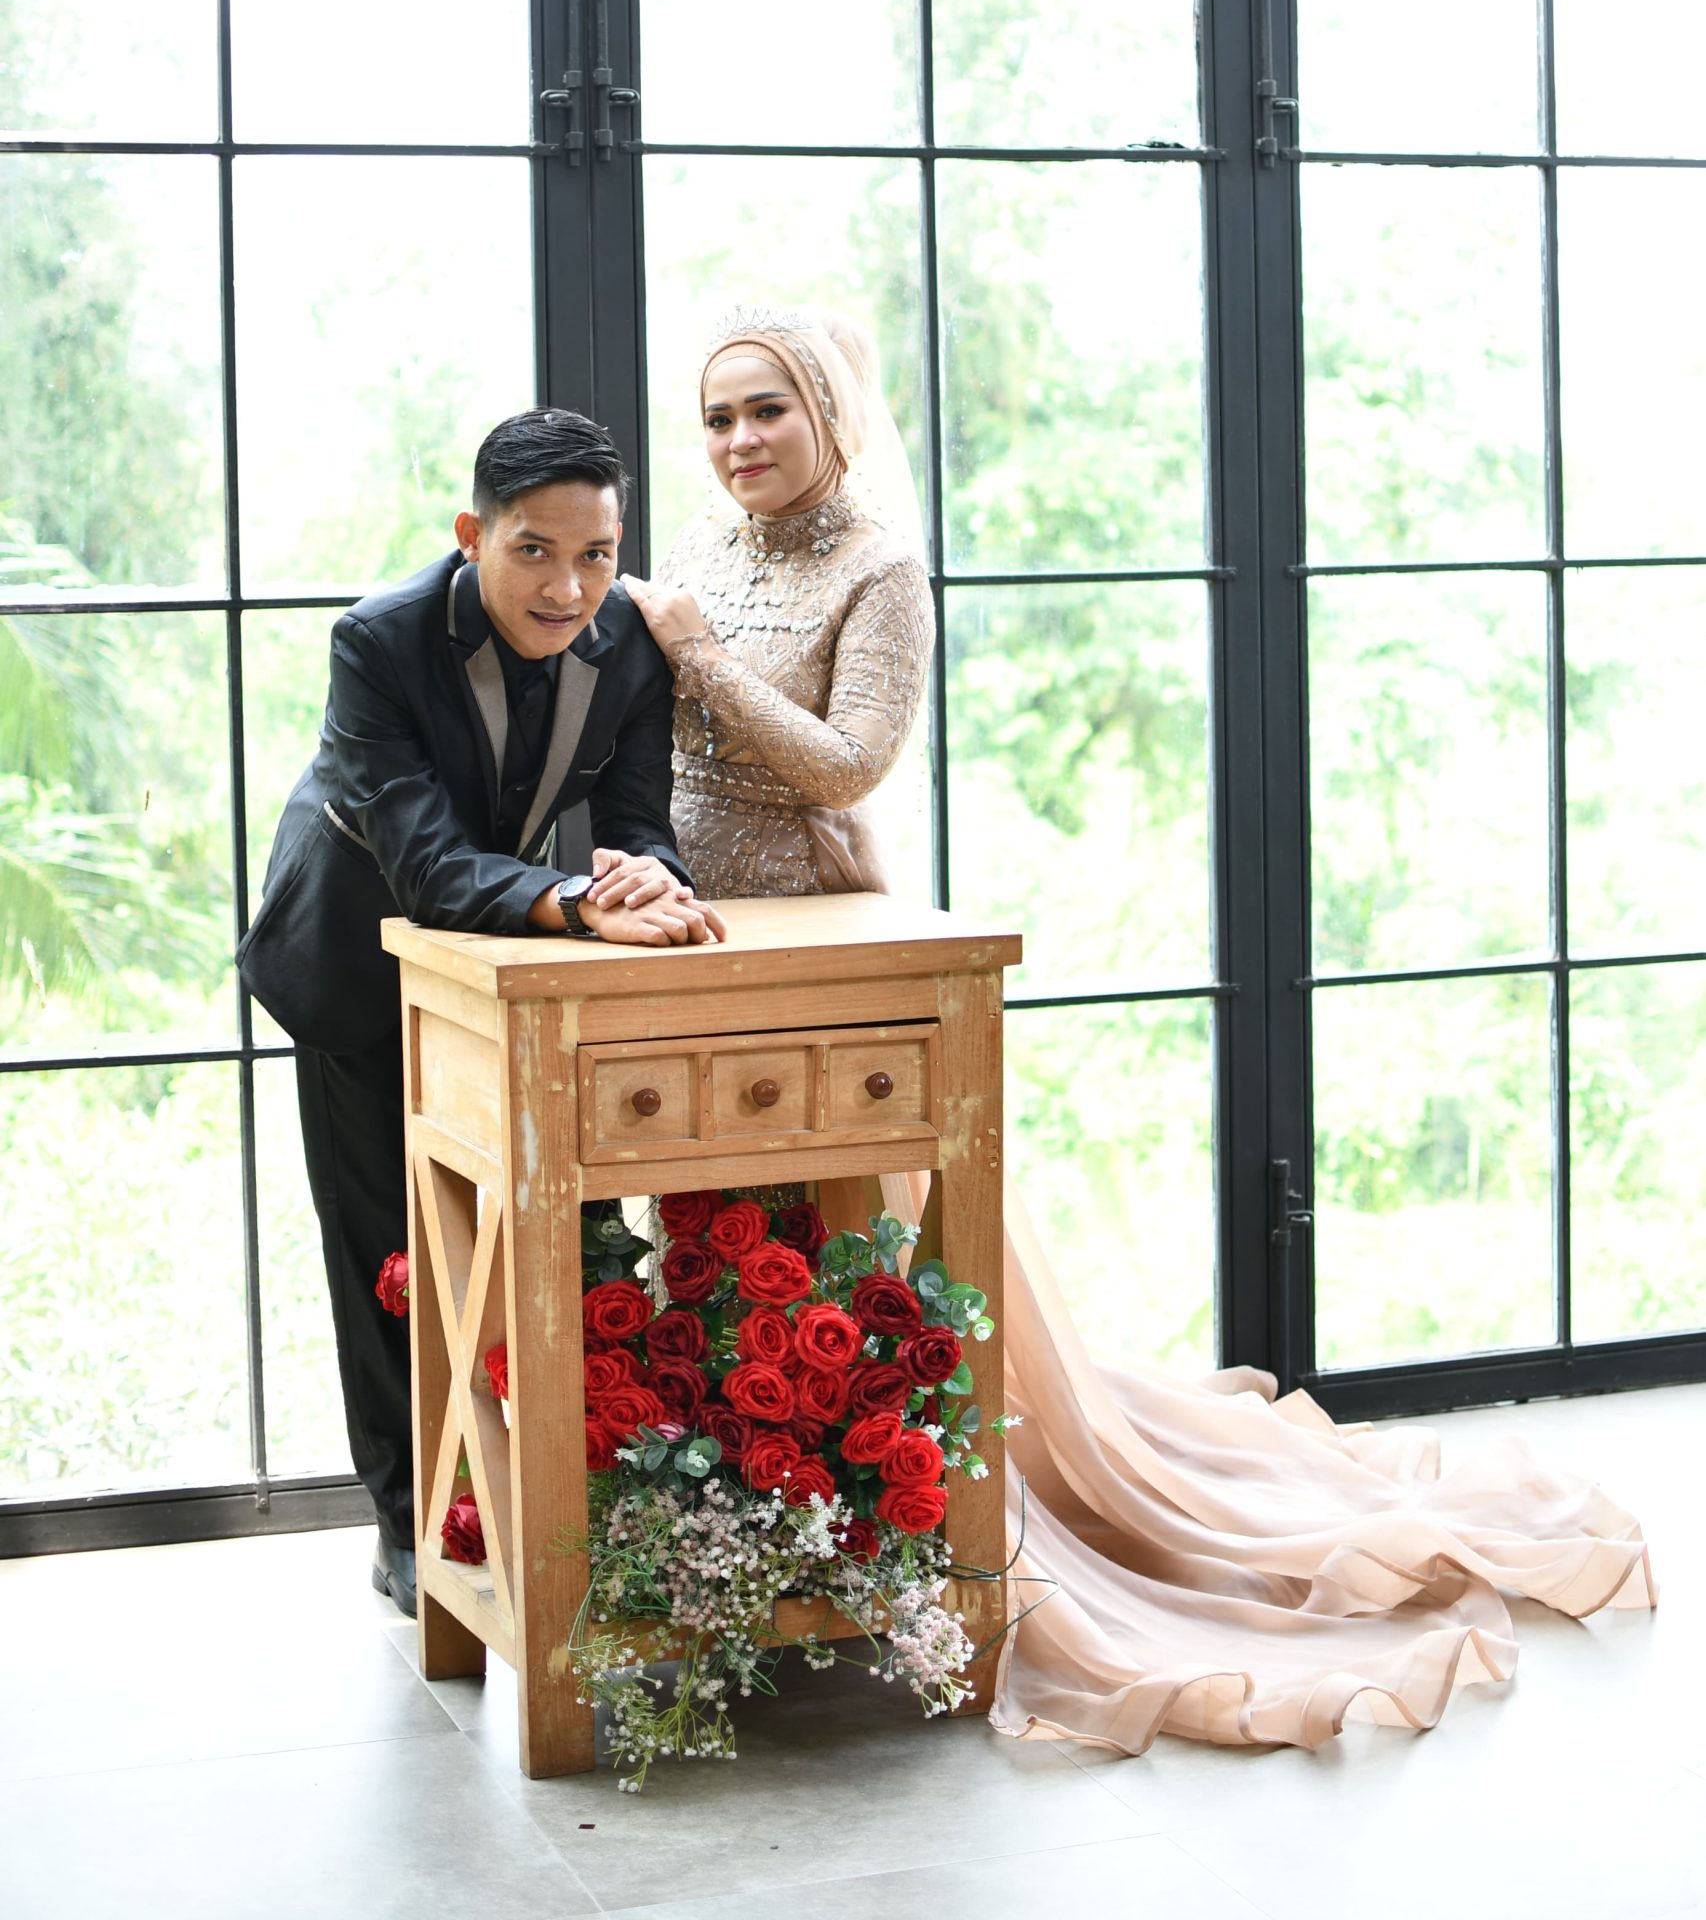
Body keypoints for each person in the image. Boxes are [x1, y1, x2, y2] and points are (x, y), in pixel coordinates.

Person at [626, 304, 1655, 1757]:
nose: (737, 441)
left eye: (765, 410)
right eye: (718, 417)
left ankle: (889, 1533)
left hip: (821, 937)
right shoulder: (702, 548)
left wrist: (696, 657)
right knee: (719, 1243)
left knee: (853, 1244)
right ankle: (762, 1524)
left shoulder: (882, 570)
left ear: (829, 413)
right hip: (690, 939)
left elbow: (851, 764)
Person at [239, 408, 723, 1619]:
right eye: (533, 551)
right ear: (472, 534)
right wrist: (578, 901)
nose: (569, 588)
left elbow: (638, 814)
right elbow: (427, 865)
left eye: (597, 553)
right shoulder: (378, 641)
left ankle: (564, 1502)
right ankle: (406, 1522)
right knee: (388, 1249)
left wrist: (646, 875)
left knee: (557, 1227)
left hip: (510, 950)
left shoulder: (630, 642)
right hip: (354, 946)